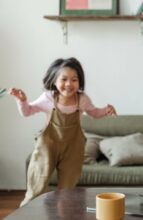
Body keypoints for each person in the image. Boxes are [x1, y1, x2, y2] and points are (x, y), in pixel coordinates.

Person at [10, 57, 117, 206]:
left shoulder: (82, 100)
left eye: (74, 79)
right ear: (54, 81)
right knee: (36, 188)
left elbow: (93, 113)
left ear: (80, 82)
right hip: (47, 147)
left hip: (72, 149)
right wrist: (22, 101)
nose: (68, 84)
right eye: (64, 79)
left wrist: (105, 110)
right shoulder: (48, 98)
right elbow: (27, 111)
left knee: (67, 192)